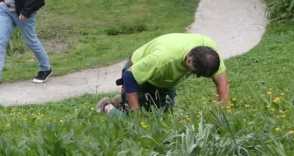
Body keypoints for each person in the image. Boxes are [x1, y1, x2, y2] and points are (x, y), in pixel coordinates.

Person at [97, 32, 230, 115]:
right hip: (139, 75)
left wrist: (223, 112)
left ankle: (122, 100)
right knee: (135, 122)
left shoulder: (209, 54)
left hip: (165, 80)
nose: (196, 76)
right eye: (195, 73)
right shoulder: (163, 58)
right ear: (189, 59)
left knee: (164, 118)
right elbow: (129, 76)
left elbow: (222, 82)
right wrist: (135, 111)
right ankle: (107, 106)